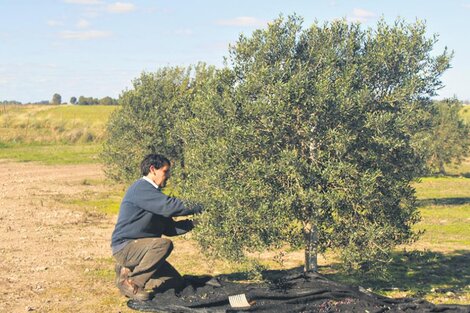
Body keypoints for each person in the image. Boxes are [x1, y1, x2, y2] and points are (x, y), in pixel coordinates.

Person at [111, 153, 202, 301]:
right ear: (153, 169)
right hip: (125, 248)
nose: (168, 176)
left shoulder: (154, 195)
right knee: (163, 244)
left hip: (142, 251)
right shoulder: (141, 188)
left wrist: (196, 223)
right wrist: (200, 206)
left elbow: (170, 229)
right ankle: (132, 282)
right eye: (165, 171)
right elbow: (170, 206)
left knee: (176, 283)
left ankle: (127, 270)